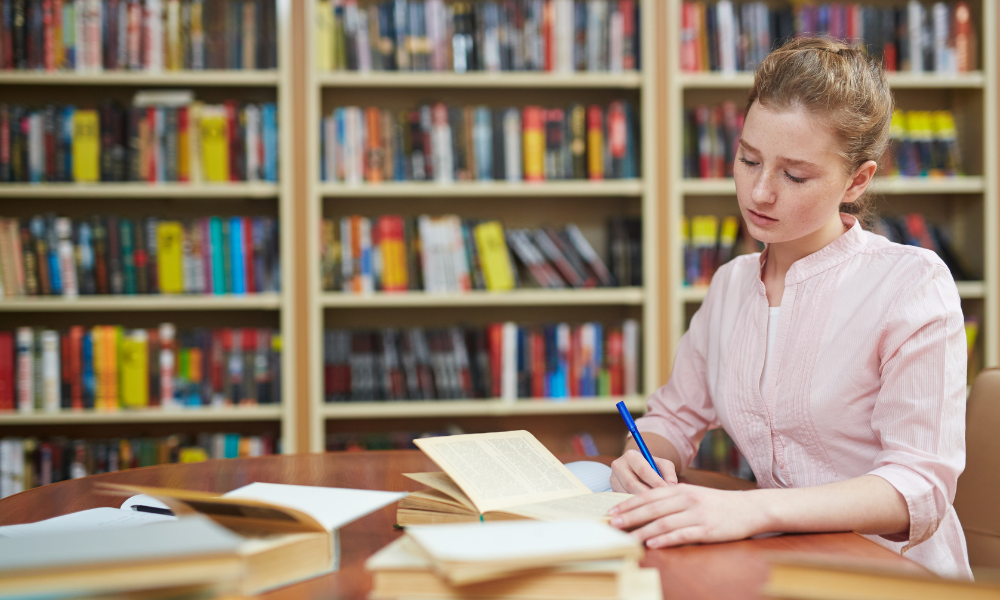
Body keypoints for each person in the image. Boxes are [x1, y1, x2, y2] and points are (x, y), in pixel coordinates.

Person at [608, 37, 971, 579]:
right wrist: (650, 456)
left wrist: (750, 509)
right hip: (780, 564)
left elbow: (918, 489)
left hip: (894, 576)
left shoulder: (911, 284)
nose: (759, 192)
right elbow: (673, 417)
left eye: (793, 175)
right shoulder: (730, 286)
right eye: (748, 159)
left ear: (857, 180)